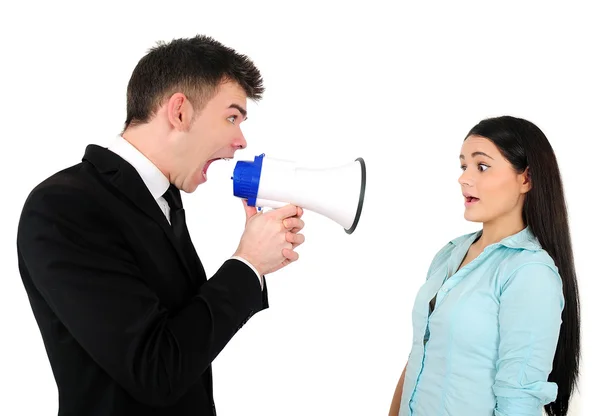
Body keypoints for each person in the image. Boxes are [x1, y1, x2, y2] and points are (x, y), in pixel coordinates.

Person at [16, 35, 306, 416]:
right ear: (180, 112)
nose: (241, 140)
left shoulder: (163, 198)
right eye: (231, 117)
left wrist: (254, 264)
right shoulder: (63, 207)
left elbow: (184, 339)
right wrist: (247, 264)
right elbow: (156, 371)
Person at [388, 116, 580, 416]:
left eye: (482, 166)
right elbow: (419, 355)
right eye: (463, 166)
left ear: (526, 179)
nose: (464, 178)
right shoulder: (449, 253)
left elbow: (519, 401)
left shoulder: (529, 273)